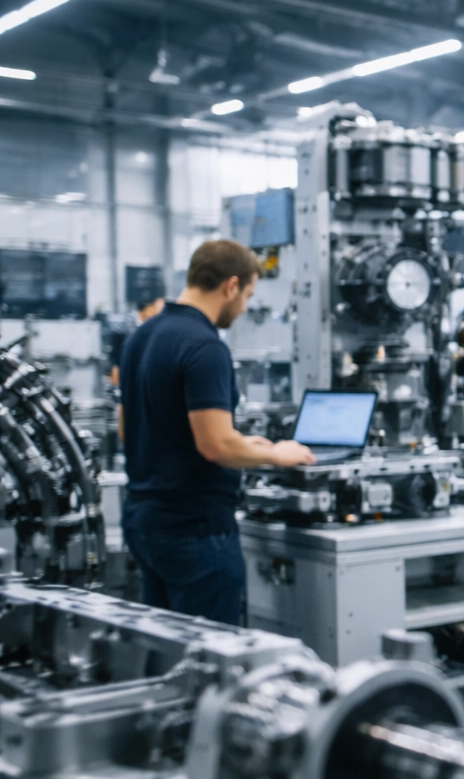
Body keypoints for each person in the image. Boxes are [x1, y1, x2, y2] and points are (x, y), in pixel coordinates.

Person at [120, 239, 314, 625]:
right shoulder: (205, 346)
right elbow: (214, 446)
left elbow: (128, 429)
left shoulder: (142, 336)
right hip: (195, 531)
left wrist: (244, 445)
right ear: (230, 286)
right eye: (247, 295)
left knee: (165, 648)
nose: (244, 308)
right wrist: (276, 454)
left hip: (146, 522)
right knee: (211, 664)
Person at [108, 294, 165, 388]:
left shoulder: (157, 325)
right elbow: (115, 354)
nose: (161, 310)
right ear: (149, 307)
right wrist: (114, 368)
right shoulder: (123, 327)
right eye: (158, 306)